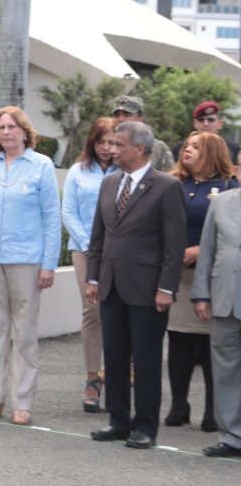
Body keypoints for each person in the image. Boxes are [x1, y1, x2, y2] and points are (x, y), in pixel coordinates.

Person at [85, 120, 185, 449]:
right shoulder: (110, 183)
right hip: (111, 285)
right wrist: (94, 277)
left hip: (147, 288)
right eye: (110, 144)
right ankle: (118, 420)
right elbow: (99, 235)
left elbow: (175, 244)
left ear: (139, 149)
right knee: (114, 356)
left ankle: (145, 426)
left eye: (118, 145)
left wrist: (166, 288)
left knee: (145, 359)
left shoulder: (167, 186)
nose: (111, 149)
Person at [0, 106, 60, 426]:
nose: (6, 132)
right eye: (1, 127)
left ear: (25, 131)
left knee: (24, 332)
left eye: (12, 127)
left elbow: (51, 218)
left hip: (27, 259)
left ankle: (23, 402)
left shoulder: (41, 165)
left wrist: (49, 264)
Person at [166, 131, 236, 431]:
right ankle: (179, 404)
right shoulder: (175, 184)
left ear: (213, 153)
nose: (188, 151)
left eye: (196, 147)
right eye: (187, 146)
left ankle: (213, 409)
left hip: (210, 276)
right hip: (176, 274)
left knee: (210, 346)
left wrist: (198, 251)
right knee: (178, 339)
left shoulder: (228, 188)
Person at [61, 116, 119, 413]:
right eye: (101, 141)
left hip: (120, 252)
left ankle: (118, 377)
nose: (107, 148)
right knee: (92, 311)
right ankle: (92, 378)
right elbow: (68, 212)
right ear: (92, 142)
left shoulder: (128, 172)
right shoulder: (78, 171)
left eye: (112, 142)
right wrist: (89, 243)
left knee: (118, 312)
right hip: (85, 250)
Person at [189, 185, 241, 457]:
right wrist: (201, 294)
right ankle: (232, 437)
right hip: (225, 297)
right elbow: (207, 251)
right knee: (225, 370)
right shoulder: (219, 202)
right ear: (236, 170)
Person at [109, 95, 175, 172]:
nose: (120, 119)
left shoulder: (157, 148)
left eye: (127, 115)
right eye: (116, 115)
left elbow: (171, 178)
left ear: (139, 119)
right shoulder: (104, 146)